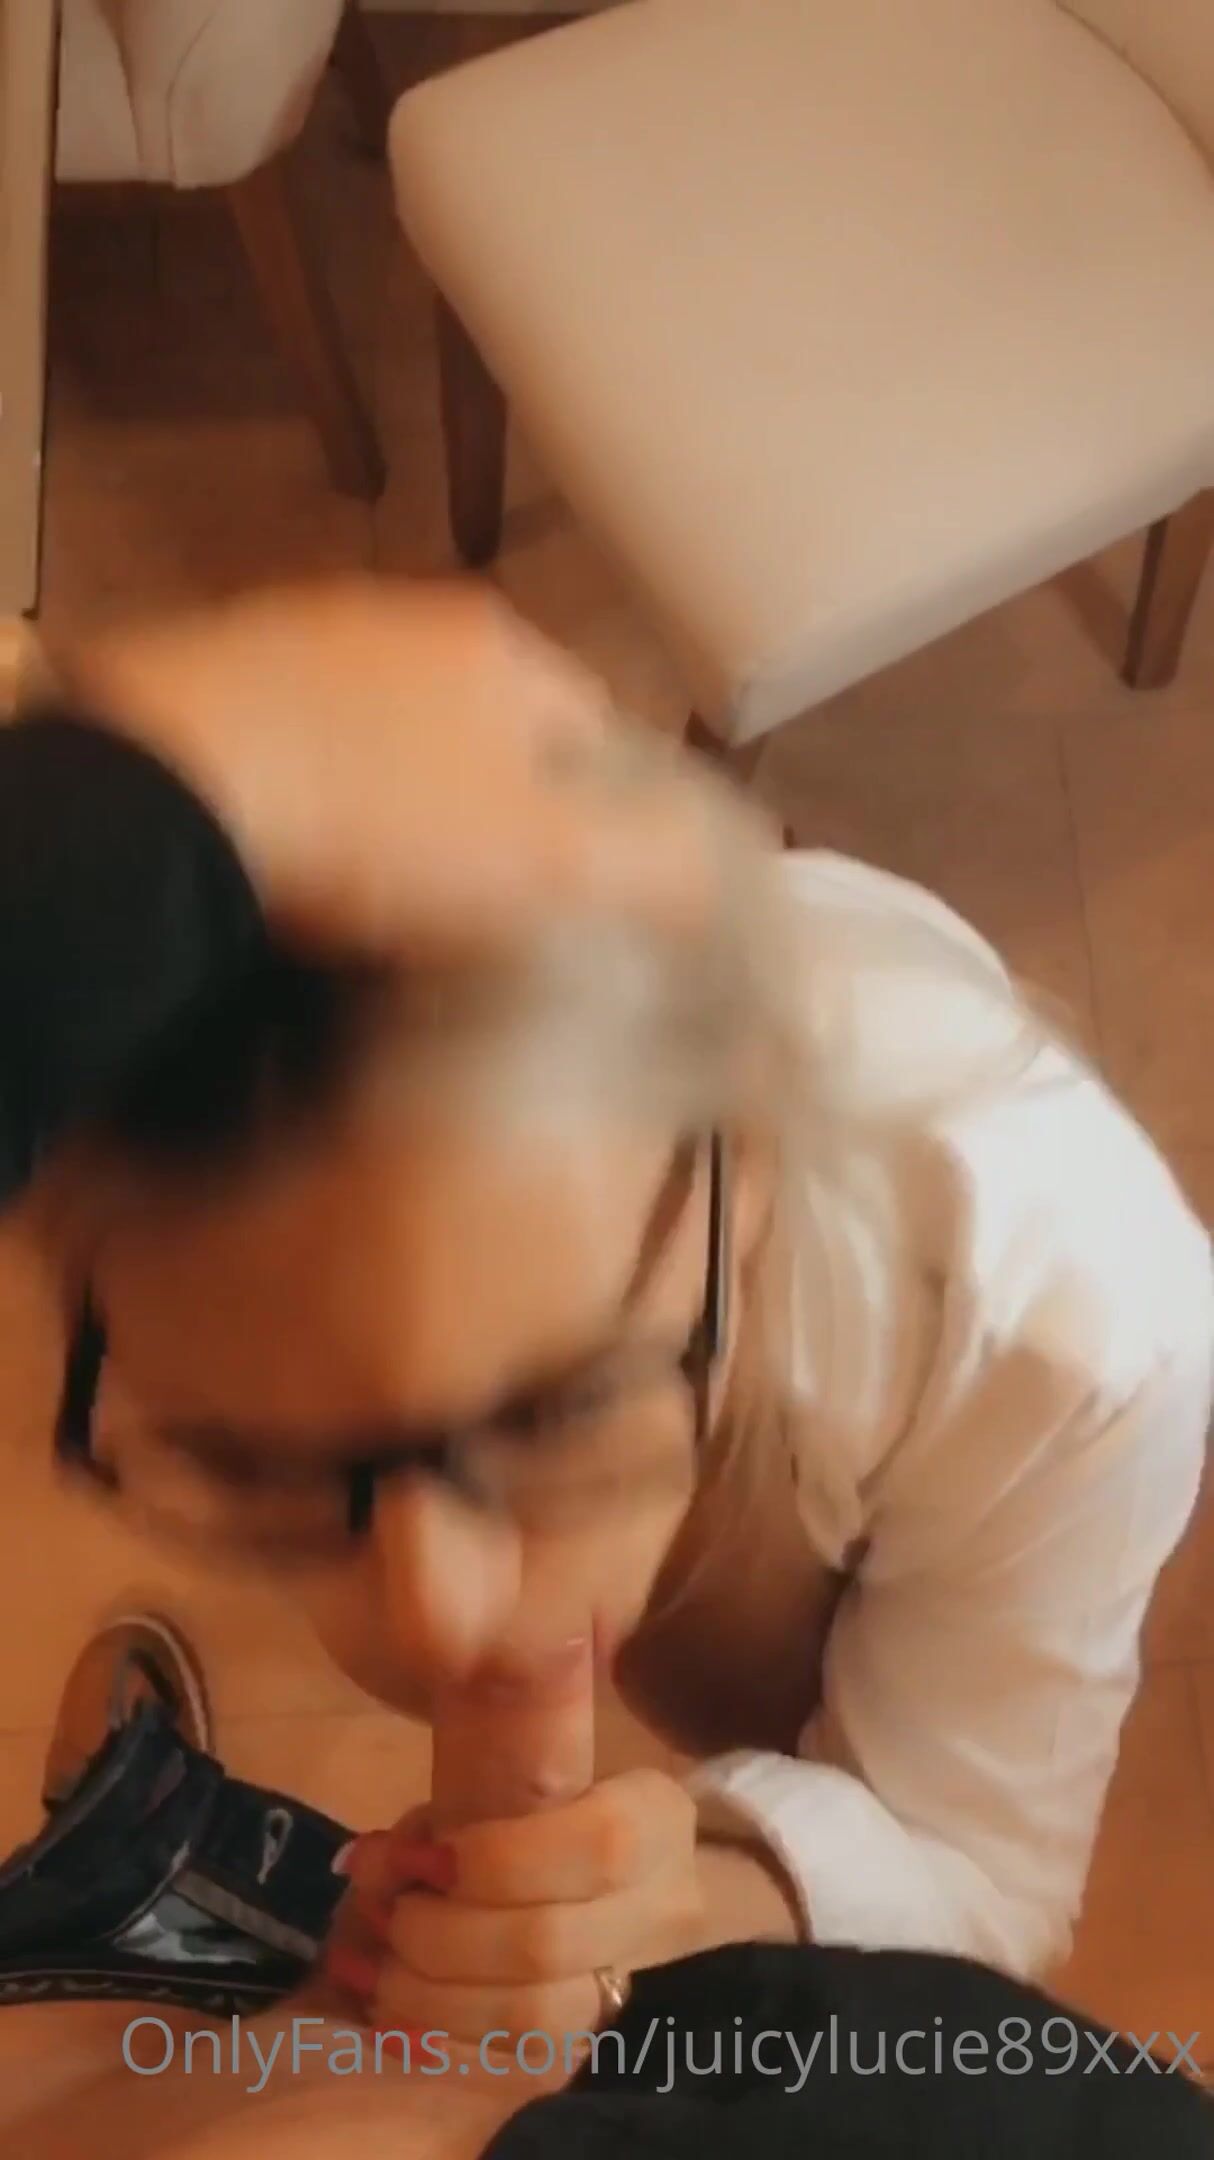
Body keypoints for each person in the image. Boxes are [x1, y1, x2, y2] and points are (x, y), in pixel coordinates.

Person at [1, 579, 1211, 2156]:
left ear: (742, 1187)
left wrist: (711, 1885)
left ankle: (147, 1888)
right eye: (250, 1459)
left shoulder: (1076, 1320)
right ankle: (163, 1880)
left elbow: (983, 1879)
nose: (434, 1613)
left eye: (555, 1408)